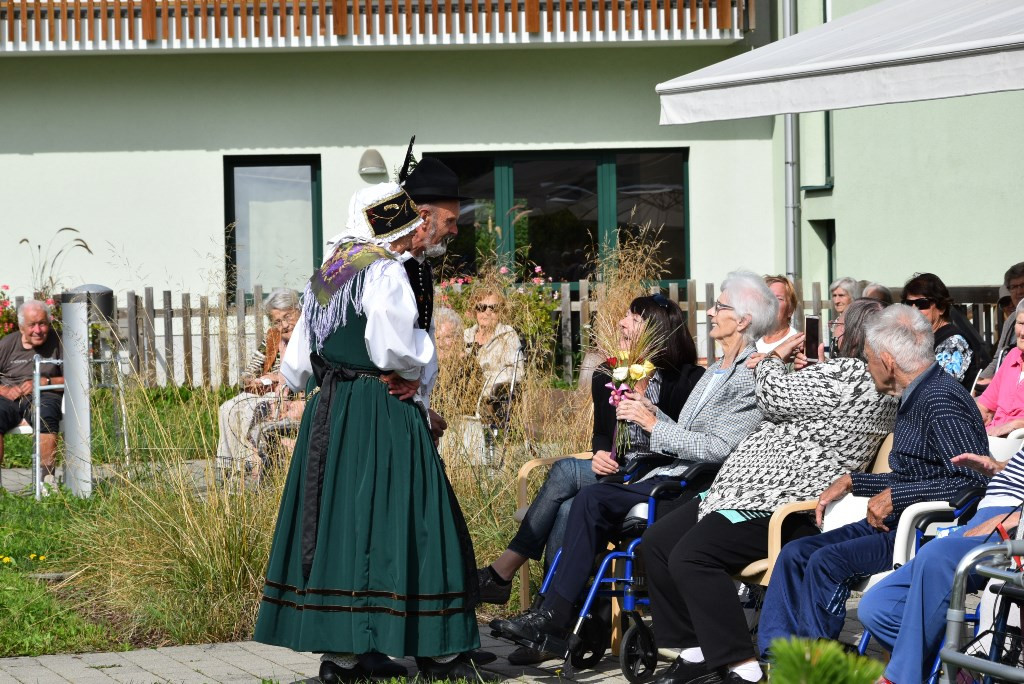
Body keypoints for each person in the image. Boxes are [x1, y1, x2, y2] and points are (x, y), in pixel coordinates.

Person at [253, 180, 492, 684]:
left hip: (331, 412)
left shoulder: (328, 272)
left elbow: (296, 364)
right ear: (390, 226)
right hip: (380, 407)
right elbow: (392, 348)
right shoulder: (384, 271)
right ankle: (438, 652)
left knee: (345, 521)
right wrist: (417, 367)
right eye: (408, 227)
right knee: (416, 517)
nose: (413, 236)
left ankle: (346, 654)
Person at [492, 271, 776, 649]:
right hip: (666, 474)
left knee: (587, 497)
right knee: (578, 501)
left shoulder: (747, 375)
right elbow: (685, 431)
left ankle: (550, 613)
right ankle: (557, 620)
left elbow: (720, 447)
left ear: (742, 320)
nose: (709, 312)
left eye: (719, 306)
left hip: (691, 487)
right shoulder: (716, 371)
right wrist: (649, 411)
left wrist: (653, 424)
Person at [643, 298, 898, 684]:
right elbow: (798, 400)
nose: (833, 329)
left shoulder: (854, 376)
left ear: (858, 335)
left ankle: (741, 667)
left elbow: (773, 395)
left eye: (840, 323)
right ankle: (696, 651)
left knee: (691, 558)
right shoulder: (840, 375)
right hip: (741, 492)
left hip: (778, 504)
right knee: (657, 544)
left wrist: (773, 357)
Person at [476, 295, 704, 662]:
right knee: (567, 505)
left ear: (656, 328)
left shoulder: (687, 379)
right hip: (617, 471)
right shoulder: (608, 374)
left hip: (656, 475)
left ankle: (510, 583)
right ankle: (550, 625)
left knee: (566, 473)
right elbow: (603, 435)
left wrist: (647, 402)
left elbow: (685, 440)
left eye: (633, 317)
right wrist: (600, 454)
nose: (622, 323)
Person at [756, 304, 989, 660]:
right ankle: (778, 660)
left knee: (824, 562)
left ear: (888, 360)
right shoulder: (918, 394)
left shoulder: (941, 399)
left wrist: (897, 496)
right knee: (795, 553)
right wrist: (854, 481)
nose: (867, 368)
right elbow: (920, 473)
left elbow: (971, 482)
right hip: (895, 523)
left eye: (868, 359)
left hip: (923, 533)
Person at [858, 446, 1024, 684]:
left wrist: (1009, 520)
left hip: (1011, 528)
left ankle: (900, 678)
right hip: (984, 518)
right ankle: (956, 671)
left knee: (937, 554)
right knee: (877, 607)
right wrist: (996, 467)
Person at [215, 288, 302, 476]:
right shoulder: (272, 337)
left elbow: (307, 374)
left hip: (291, 394)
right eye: (277, 321)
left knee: (245, 410)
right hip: (267, 392)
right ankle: (230, 465)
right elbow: (251, 368)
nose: (285, 325)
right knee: (227, 408)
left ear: (299, 311)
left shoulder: (308, 338)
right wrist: (252, 379)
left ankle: (251, 463)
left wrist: (278, 376)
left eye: (288, 317)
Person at [0, 300, 63, 489]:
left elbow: (77, 380)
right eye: (32, 325)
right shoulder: (7, 345)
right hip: (8, 398)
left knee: (46, 415)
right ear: (21, 327)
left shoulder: (59, 342)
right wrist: (4, 390)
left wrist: (45, 382)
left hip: (44, 395)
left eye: (42, 323)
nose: (38, 330)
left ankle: (46, 484)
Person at [901, 272, 988, 388]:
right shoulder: (916, 339)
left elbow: (939, 387)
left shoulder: (955, 342)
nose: (913, 309)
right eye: (908, 304)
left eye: (922, 303)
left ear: (941, 307)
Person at [463, 288, 524, 412]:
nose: (487, 312)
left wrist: (485, 385)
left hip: (491, 401)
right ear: (475, 311)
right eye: (481, 307)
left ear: (501, 311)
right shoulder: (466, 335)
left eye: (493, 308)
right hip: (462, 398)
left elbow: (517, 373)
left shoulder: (507, 335)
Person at [975, 298, 1024, 436]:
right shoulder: (1012, 356)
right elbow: (985, 405)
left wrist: (1015, 424)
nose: (1023, 332)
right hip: (992, 439)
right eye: (1020, 323)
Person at [976, 261, 1024, 388]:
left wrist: (994, 382)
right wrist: (979, 381)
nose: (1019, 291)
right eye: (1014, 287)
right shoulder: (1011, 320)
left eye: (1023, 285)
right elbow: (997, 360)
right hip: (1001, 384)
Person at [756, 275, 799, 354]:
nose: (772, 303)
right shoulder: (752, 341)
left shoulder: (797, 344)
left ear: (790, 310)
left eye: (778, 299)